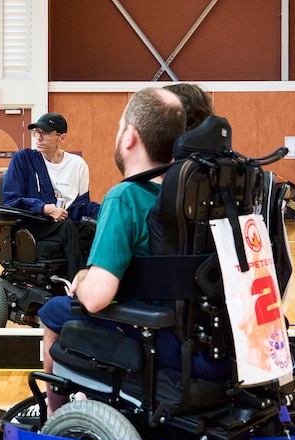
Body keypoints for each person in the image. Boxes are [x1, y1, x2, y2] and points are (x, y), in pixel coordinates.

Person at [37, 87, 187, 415]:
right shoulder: (186, 195)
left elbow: (95, 298)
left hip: (148, 330)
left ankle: (55, 413)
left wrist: (83, 277)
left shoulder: (125, 198)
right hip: (187, 330)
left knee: (53, 312)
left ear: (130, 137)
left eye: (119, 127)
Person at [1, 113, 100, 280]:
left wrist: (105, 212)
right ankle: (78, 287)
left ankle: (103, 281)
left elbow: (82, 204)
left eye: (45, 133)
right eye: (36, 132)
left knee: (96, 228)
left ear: (62, 137)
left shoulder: (77, 164)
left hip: (66, 223)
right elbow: (10, 200)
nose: (38, 137)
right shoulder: (23, 159)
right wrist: (43, 208)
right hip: (36, 226)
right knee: (68, 227)